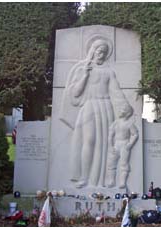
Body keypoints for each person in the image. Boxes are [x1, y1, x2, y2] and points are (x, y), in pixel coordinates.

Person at [59, 35, 127, 188]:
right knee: (88, 140)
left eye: (104, 52)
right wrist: (85, 74)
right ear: (92, 51)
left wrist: (125, 107)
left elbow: (116, 92)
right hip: (89, 107)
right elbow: (75, 93)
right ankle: (84, 177)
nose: (100, 54)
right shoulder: (82, 68)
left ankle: (100, 180)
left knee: (104, 143)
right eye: (98, 51)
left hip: (105, 108)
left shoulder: (109, 72)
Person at [106, 103, 139, 189]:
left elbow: (135, 134)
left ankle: (122, 182)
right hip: (116, 144)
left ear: (127, 113)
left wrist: (130, 144)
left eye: (123, 109)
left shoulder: (129, 124)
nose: (120, 111)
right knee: (111, 163)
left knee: (124, 163)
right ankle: (111, 181)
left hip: (124, 144)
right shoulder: (115, 123)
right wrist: (110, 146)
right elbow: (110, 135)